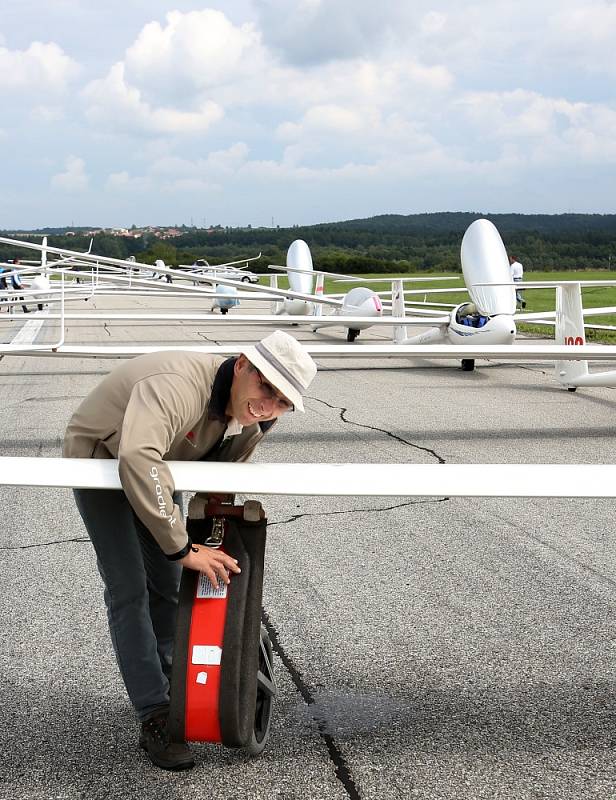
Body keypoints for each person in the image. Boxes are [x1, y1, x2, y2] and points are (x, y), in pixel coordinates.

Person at [63, 330, 317, 771]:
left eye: (282, 401)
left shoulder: (260, 416)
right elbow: (137, 459)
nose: (268, 405)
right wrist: (183, 547)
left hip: (161, 467)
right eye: (265, 388)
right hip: (102, 461)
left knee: (167, 582)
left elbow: (221, 477)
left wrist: (209, 536)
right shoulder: (176, 383)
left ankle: (174, 681)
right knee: (128, 588)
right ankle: (155, 714)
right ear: (241, 365)